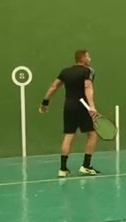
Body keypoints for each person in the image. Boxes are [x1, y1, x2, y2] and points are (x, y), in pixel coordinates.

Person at [39, 49, 102, 177]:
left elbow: (53, 86)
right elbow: (87, 88)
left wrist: (45, 103)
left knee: (69, 136)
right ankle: (86, 166)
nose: (90, 59)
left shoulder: (65, 72)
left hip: (69, 107)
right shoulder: (88, 71)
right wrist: (92, 107)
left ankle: (63, 169)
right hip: (82, 107)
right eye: (88, 57)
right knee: (92, 134)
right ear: (83, 58)